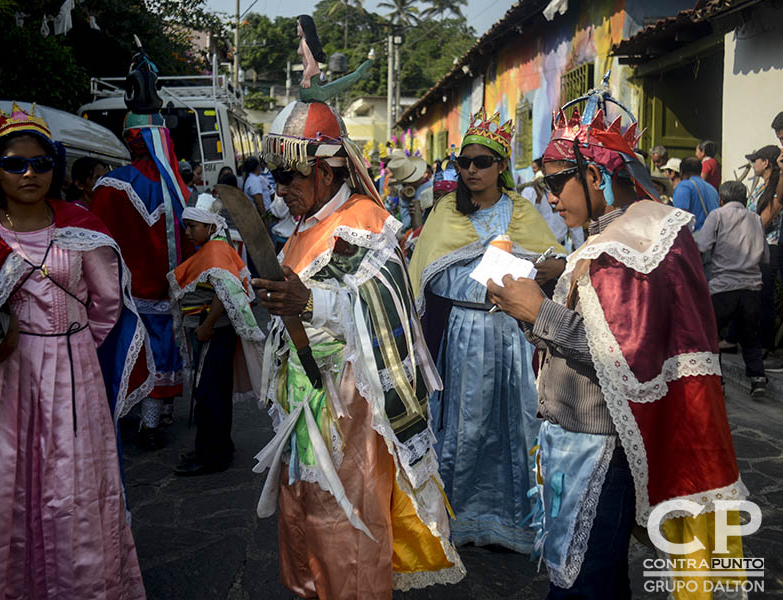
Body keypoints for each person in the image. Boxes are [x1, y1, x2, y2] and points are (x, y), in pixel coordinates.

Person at [487, 90, 745, 597]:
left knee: (583, 583)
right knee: (593, 575)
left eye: (557, 182)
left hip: (602, 449)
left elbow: (627, 355)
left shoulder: (641, 240)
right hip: (573, 440)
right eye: (545, 184)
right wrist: (530, 309)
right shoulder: (604, 237)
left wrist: (539, 311)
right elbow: (588, 333)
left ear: (597, 175)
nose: (550, 197)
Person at [0, 103, 151, 599]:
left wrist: (68, 346)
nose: (30, 173)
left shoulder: (83, 230)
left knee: (74, 488)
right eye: (15, 164)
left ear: (55, 165)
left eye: (42, 163)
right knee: (4, 486)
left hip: (75, 377)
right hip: (5, 382)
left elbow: (108, 304)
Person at [251, 99, 465, 598]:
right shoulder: (302, 224)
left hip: (347, 404)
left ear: (327, 171)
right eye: (275, 176)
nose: (280, 189)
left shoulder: (363, 222)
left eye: (290, 175)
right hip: (303, 401)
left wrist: (309, 303)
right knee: (301, 515)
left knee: (345, 526)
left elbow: (387, 313)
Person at [408, 109, 565, 552]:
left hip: (514, 333)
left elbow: (556, 261)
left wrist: (523, 266)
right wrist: (484, 271)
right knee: (467, 424)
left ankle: (518, 521)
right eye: (464, 162)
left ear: (501, 166)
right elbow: (428, 276)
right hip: (465, 332)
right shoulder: (444, 211)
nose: (471, 170)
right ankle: (460, 519)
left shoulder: (522, 210)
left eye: (481, 162)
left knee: (519, 422)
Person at [90, 51, 192, 448]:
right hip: (167, 291)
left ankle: (141, 415)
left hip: (124, 293)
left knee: (134, 351)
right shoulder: (179, 190)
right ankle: (157, 416)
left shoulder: (110, 187)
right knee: (163, 349)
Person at [169, 194, 264, 475]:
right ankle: (216, 448)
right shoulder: (219, 246)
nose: (187, 233)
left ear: (209, 227)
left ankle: (211, 456)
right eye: (186, 226)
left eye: (192, 227)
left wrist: (207, 325)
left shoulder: (214, 251)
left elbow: (224, 293)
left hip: (213, 331)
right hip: (218, 332)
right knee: (215, 392)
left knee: (209, 394)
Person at [697, 180, 769, 396]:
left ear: (721, 198)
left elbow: (702, 246)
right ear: (744, 198)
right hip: (751, 288)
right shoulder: (755, 219)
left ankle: (717, 381)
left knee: (712, 335)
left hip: (722, 288)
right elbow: (765, 256)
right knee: (750, 336)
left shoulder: (717, 215)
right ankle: (758, 379)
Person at [746, 145, 783, 362]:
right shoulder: (761, 187)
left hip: (768, 246)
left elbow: (764, 220)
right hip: (756, 246)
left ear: (766, 163)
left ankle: (766, 343)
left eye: (755, 160)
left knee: (765, 296)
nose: (753, 165)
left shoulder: (775, 189)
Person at [673, 156, 718, 231]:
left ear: (681, 172)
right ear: (700, 171)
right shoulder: (712, 189)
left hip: (694, 239)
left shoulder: (684, 186)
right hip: (711, 238)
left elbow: (680, 216)